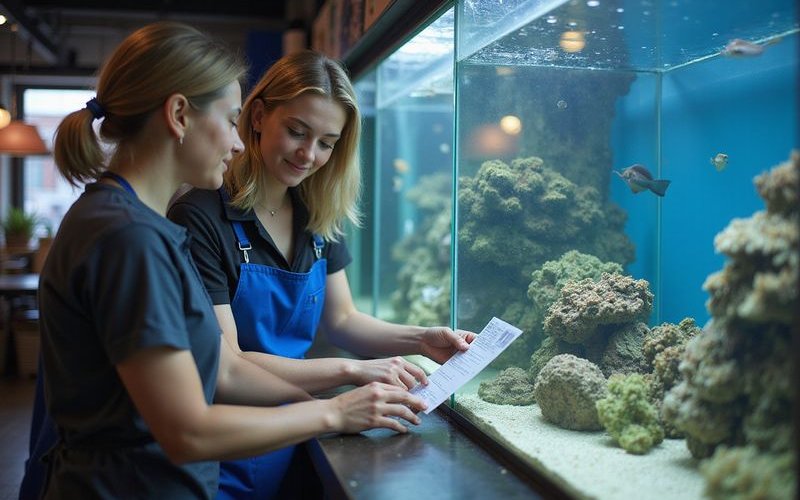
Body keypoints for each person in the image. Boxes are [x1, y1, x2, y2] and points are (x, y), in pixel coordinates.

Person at [29, 22, 429, 500]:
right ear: (179, 114)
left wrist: (358, 390)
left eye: (327, 142)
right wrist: (334, 412)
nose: (238, 143)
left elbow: (225, 370)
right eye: (230, 118)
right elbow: (189, 430)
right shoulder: (131, 237)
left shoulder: (134, 224)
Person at [167, 49, 476, 500]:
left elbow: (344, 320)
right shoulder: (199, 217)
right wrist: (355, 370)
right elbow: (227, 364)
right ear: (256, 116)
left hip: (298, 434)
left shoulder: (316, 213)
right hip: (225, 449)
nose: (308, 154)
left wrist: (420, 339)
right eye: (297, 131)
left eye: (327, 142)